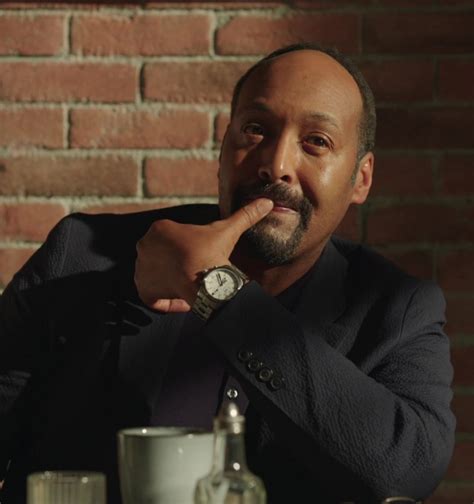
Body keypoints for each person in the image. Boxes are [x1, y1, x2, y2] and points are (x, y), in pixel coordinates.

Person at [0, 43, 455, 503]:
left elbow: (407, 471)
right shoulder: (83, 257)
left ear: (361, 178)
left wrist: (216, 289)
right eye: (256, 129)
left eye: (316, 141)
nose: (277, 165)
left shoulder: (397, 309)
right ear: (222, 149)